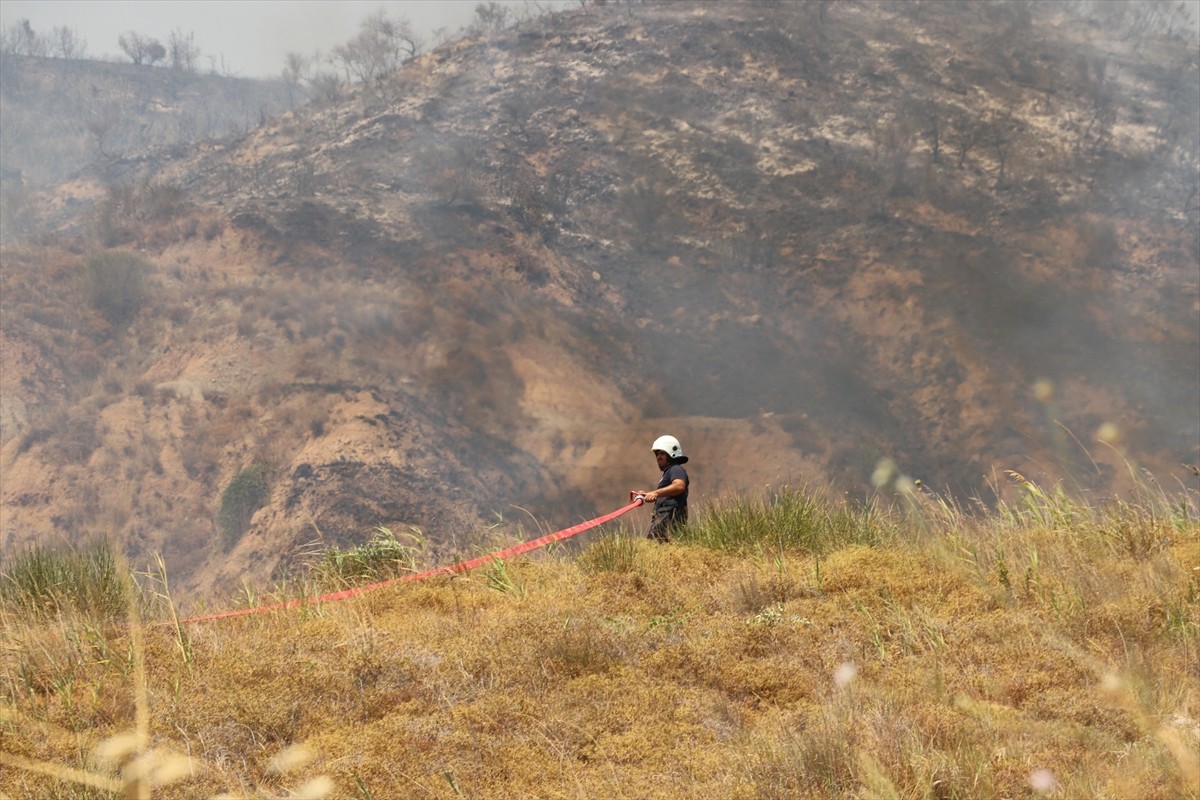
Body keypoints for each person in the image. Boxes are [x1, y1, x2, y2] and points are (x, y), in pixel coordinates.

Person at [638, 434, 689, 543]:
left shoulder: (676, 469)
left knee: (652, 550)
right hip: (664, 521)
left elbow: (679, 486)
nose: (658, 457)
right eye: (657, 454)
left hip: (667, 522)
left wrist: (656, 493)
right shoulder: (669, 473)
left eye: (662, 453)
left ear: (672, 453)